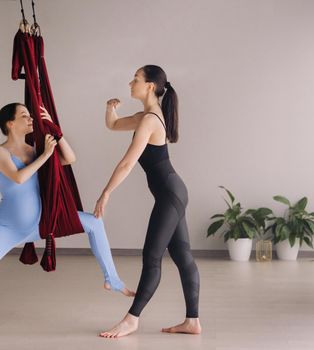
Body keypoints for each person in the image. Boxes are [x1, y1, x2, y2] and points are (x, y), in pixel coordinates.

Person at [0, 103, 134, 340]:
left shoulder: (35, 149)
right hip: (6, 229)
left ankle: (111, 278)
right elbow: (19, 178)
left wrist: (54, 129)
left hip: (40, 224)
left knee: (94, 223)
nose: (30, 119)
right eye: (24, 116)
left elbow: (70, 158)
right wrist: (46, 156)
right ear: (10, 123)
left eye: (31, 116)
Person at [94, 65, 201, 338]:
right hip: (173, 192)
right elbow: (114, 124)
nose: (131, 83)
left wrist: (106, 192)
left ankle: (132, 319)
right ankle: (192, 322)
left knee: (152, 257)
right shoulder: (146, 116)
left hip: (170, 194)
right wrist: (110, 107)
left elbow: (128, 162)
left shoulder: (151, 120)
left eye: (136, 79)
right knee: (182, 256)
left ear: (150, 86)